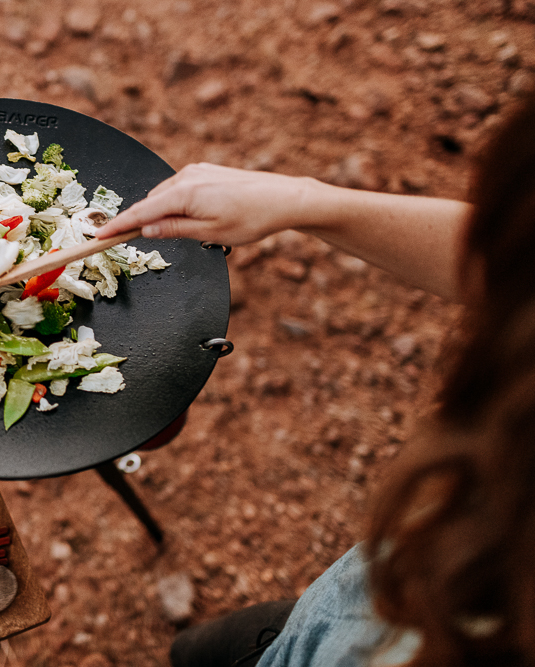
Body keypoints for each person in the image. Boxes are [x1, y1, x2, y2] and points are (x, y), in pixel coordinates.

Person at [96, 91, 535, 667]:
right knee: (196, 653)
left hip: (354, 638)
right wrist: (302, 201)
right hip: (346, 608)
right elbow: (507, 262)